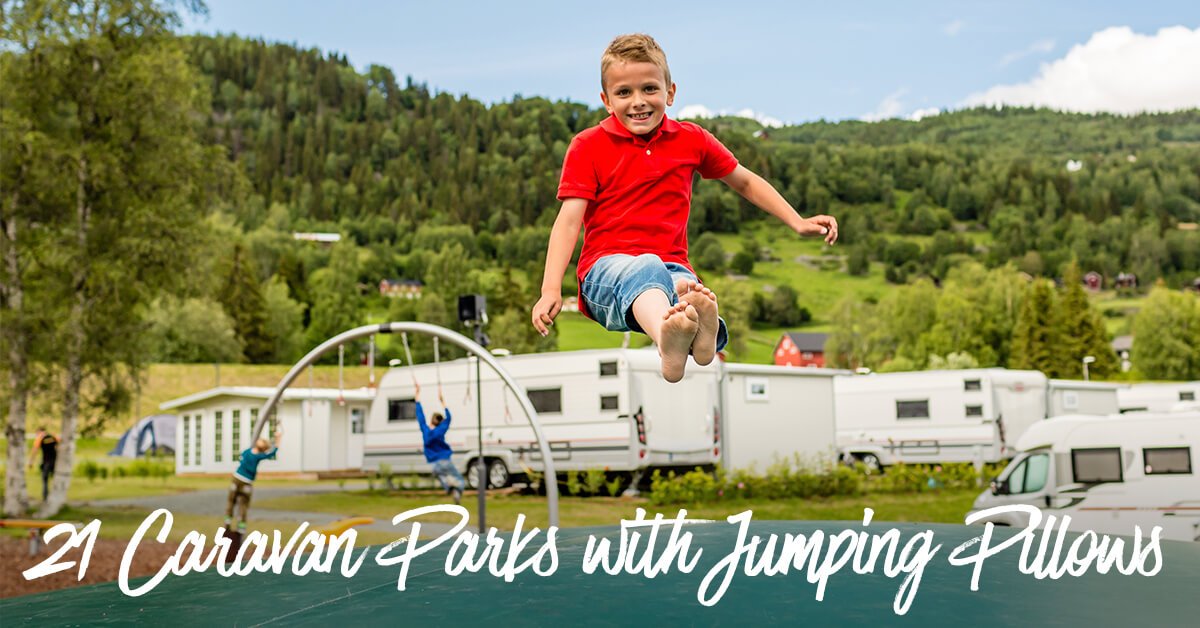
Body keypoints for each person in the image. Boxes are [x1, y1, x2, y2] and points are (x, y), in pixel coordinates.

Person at [532, 33, 838, 382]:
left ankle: (697, 338)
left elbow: (745, 181)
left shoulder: (691, 139)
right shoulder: (588, 146)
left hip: (672, 266)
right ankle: (669, 337)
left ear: (670, 92)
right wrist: (550, 289)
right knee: (647, 269)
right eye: (623, 93)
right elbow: (568, 222)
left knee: (687, 290)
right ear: (606, 100)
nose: (638, 101)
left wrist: (796, 221)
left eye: (649, 89)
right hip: (605, 276)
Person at [224, 426, 283, 533]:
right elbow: (272, 452)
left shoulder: (249, 452)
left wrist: (278, 438)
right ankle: (236, 524)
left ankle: (231, 522)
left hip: (237, 479)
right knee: (241, 503)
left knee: (234, 502)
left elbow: (271, 452)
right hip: (245, 481)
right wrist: (278, 438)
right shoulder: (257, 455)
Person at [415, 382, 464, 504]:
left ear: (431, 421)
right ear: (440, 422)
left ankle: (448, 487)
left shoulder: (425, 431)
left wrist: (417, 398)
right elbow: (449, 418)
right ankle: (457, 490)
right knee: (458, 479)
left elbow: (420, 416)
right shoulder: (440, 430)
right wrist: (443, 402)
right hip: (445, 460)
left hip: (434, 464)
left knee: (441, 476)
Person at [27, 427, 58, 501]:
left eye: (37, 433)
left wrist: (31, 462)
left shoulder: (40, 439)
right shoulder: (53, 436)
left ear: (39, 432)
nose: (36, 435)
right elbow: (60, 446)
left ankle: (45, 497)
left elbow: (35, 450)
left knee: (45, 480)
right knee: (55, 479)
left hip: (46, 462)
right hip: (55, 462)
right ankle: (56, 495)